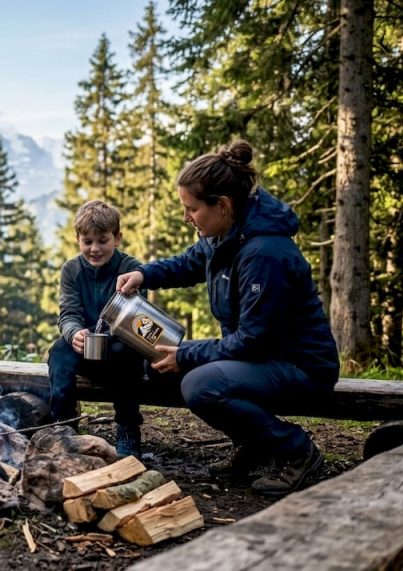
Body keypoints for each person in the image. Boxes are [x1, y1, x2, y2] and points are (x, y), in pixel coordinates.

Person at [116, 140, 339, 496]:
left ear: (222, 205)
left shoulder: (265, 253)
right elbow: (190, 263)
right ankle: (254, 443)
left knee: (199, 384)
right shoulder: (226, 233)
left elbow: (253, 339)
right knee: (157, 371)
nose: (187, 217)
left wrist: (186, 354)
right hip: (260, 357)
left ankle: (297, 450)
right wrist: (144, 275)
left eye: (192, 209)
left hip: (300, 366)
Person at [47, 200, 147, 458]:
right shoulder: (72, 270)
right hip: (85, 349)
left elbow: (137, 319)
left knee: (129, 351)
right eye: (87, 241)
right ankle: (64, 426)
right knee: (58, 351)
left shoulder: (130, 268)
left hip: (119, 349)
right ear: (77, 239)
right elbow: (68, 313)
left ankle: (128, 428)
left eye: (102, 240)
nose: (94, 248)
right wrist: (74, 333)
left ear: (117, 238)